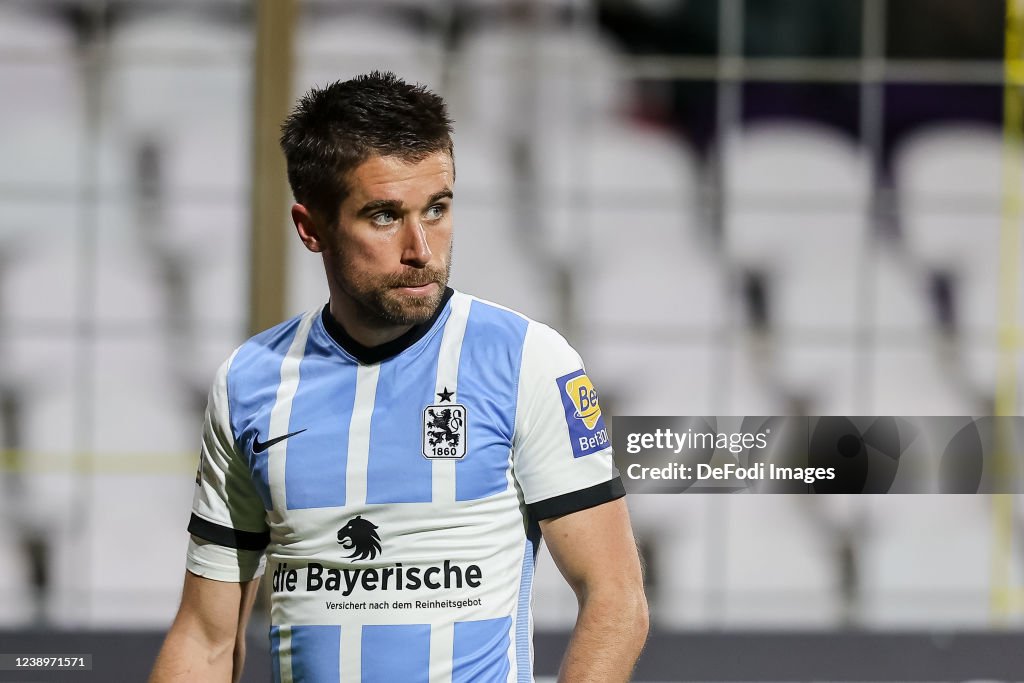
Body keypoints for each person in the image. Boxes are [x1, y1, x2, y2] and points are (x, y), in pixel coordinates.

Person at [150, 71, 648, 683]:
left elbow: (615, 598)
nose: (422, 248)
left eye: (436, 209)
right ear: (311, 228)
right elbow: (204, 636)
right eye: (384, 216)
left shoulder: (527, 362)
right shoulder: (250, 381)